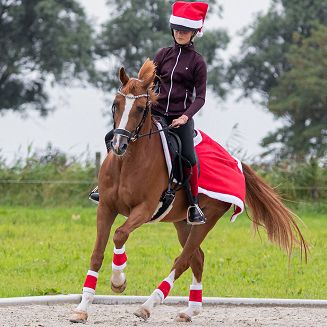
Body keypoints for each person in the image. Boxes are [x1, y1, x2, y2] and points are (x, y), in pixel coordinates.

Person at [89, 1, 208, 225]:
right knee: (111, 136)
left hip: (180, 119)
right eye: (177, 29)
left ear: (194, 32)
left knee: (189, 158)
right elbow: (146, 82)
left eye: (185, 30)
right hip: (156, 114)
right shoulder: (162, 54)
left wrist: (185, 116)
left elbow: (200, 97)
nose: (180, 34)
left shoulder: (198, 62)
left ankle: (192, 205)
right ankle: (104, 185)